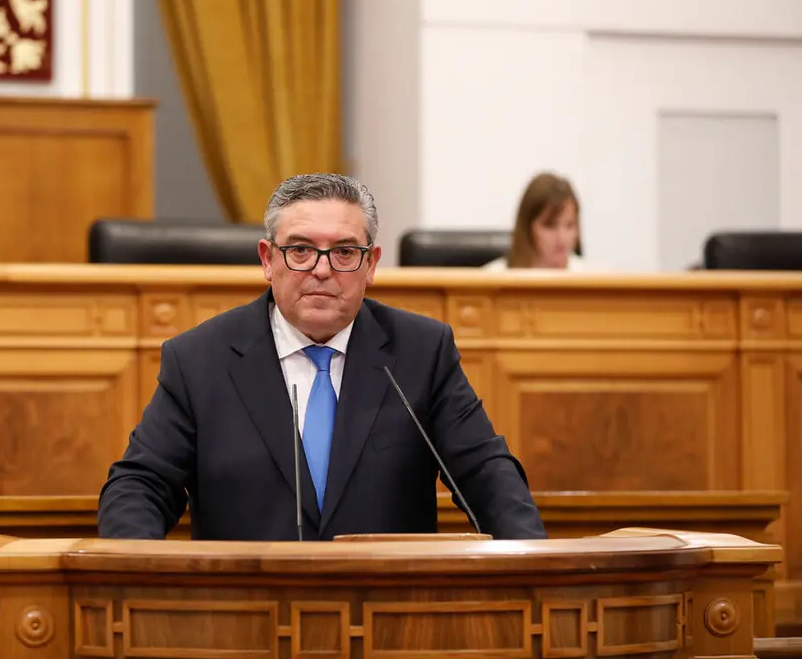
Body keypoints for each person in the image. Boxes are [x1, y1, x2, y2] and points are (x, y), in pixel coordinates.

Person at [98, 172, 546, 542]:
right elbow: (140, 485)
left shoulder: (421, 352)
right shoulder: (199, 360)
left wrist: (534, 564)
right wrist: (133, 572)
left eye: (345, 252)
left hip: (390, 624)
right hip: (243, 619)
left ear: (371, 265)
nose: (322, 269)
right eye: (300, 250)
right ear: (268, 259)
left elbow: (486, 474)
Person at [483, 172, 591, 271]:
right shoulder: (493, 277)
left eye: (570, 225)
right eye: (550, 226)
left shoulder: (593, 279)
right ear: (528, 227)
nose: (561, 237)